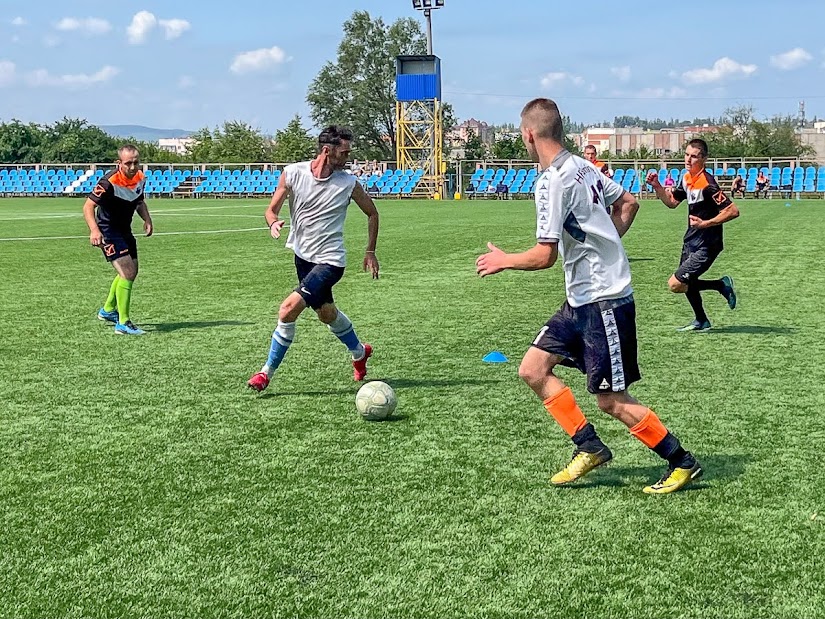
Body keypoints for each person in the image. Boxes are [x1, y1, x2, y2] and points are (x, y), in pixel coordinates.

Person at [476, 98, 702, 494]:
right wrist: (607, 245)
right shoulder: (584, 166)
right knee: (532, 369)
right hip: (581, 299)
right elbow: (629, 202)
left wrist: (504, 260)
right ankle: (590, 447)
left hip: (604, 301)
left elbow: (544, 255)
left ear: (528, 134)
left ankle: (681, 462)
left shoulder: (551, 181)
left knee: (611, 400)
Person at [247, 125, 380, 392]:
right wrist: (273, 223)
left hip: (331, 261)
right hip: (303, 257)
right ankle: (359, 351)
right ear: (327, 151)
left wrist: (370, 251)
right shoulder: (293, 173)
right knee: (327, 314)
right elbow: (271, 210)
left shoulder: (348, 183)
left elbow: (373, 214)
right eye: (344, 152)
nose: (348, 158)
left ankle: (265, 373)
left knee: (287, 310)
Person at [646, 139, 739, 332]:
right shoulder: (687, 178)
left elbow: (732, 211)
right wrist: (657, 187)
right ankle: (702, 319)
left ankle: (719, 286)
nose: (688, 159)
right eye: (687, 155)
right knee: (686, 283)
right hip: (690, 240)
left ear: (704, 159)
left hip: (707, 244)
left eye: (694, 156)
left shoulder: (709, 184)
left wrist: (705, 224)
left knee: (675, 284)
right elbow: (672, 202)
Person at [83, 144, 153, 336]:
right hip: (108, 231)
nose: (132, 167)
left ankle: (107, 311)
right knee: (127, 272)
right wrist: (94, 230)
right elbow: (88, 207)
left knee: (131, 272)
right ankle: (123, 323)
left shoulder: (140, 178)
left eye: (136, 162)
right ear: (119, 163)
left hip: (125, 230)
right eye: (128, 163)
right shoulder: (108, 182)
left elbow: (139, 201)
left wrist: (147, 219)